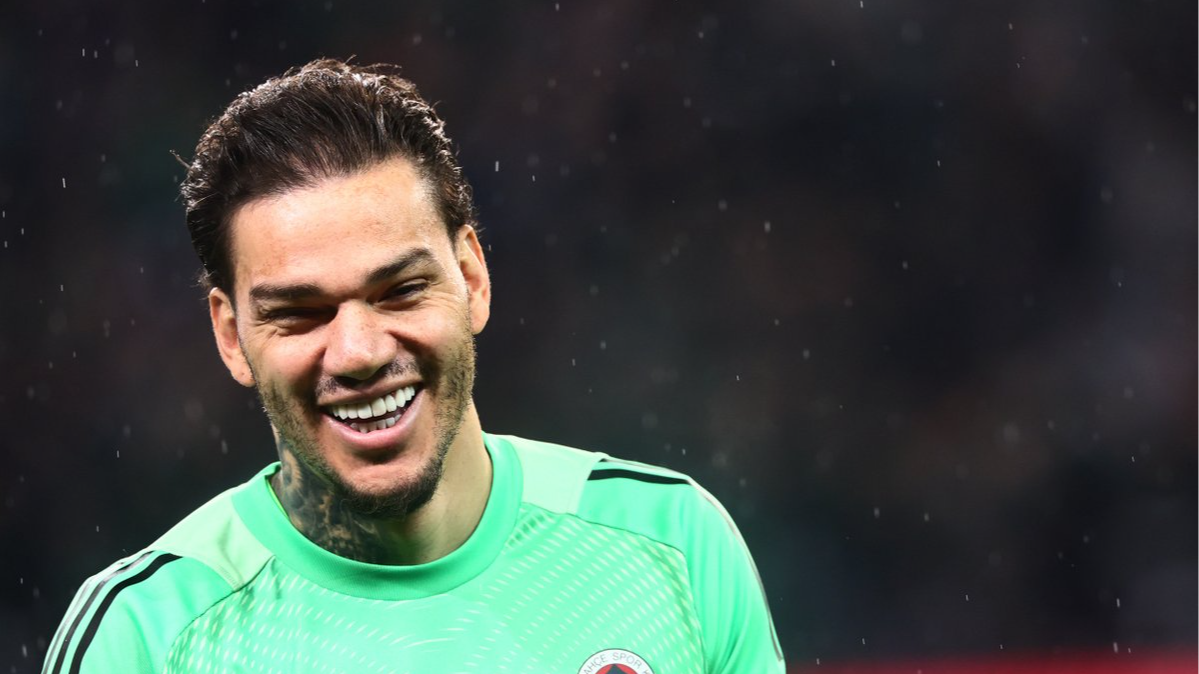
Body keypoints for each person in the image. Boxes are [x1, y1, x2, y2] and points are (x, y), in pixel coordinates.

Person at [42, 58, 784, 674]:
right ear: (232, 337)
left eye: (400, 290)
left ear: (472, 277)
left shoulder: (672, 547)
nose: (359, 353)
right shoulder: (145, 638)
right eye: (300, 312)